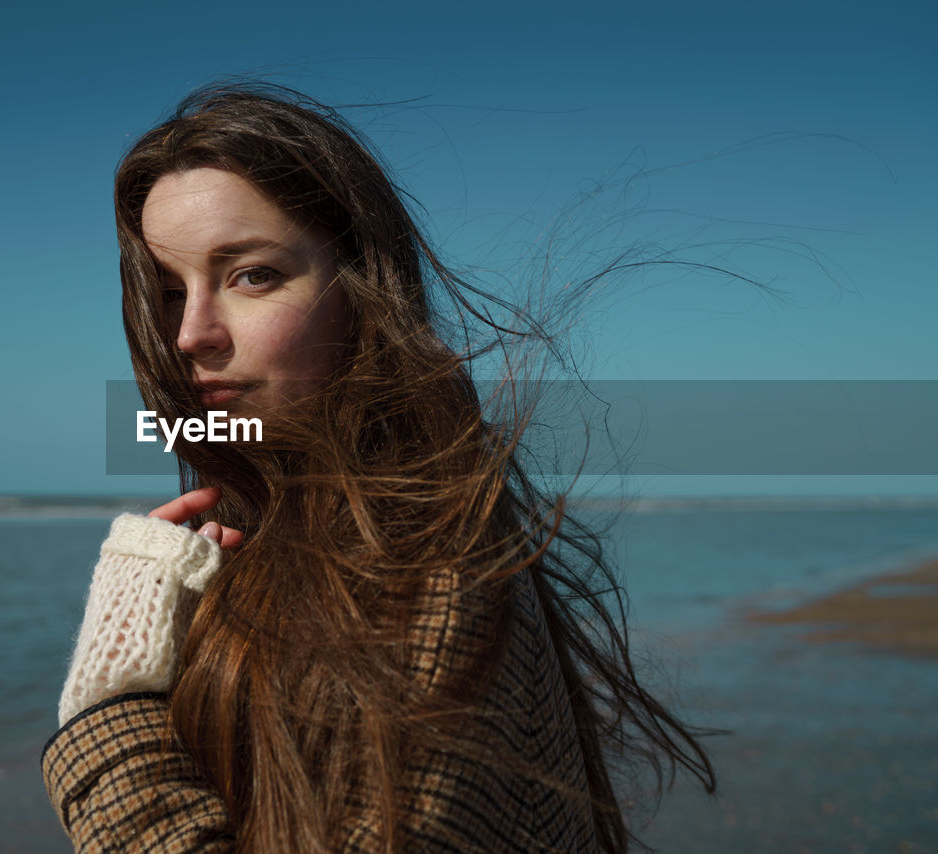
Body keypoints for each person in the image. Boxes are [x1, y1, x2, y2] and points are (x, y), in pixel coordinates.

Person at [43, 84, 716, 853]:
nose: (190, 333)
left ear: (360, 289)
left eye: (251, 275)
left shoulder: (418, 559)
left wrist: (110, 715)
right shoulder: (311, 525)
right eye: (167, 291)